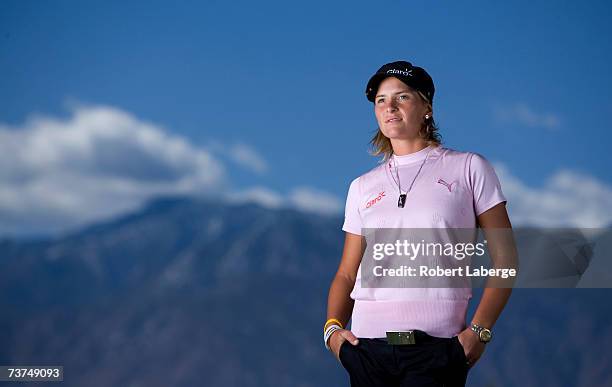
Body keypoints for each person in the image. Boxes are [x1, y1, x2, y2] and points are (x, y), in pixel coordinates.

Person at [324, 61, 517, 387]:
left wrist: (479, 332)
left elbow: (507, 259)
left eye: (402, 97)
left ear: (426, 107)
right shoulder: (362, 186)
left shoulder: (469, 168)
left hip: (438, 351)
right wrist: (332, 331)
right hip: (367, 350)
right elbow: (346, 272)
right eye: (381, 100)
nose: (389, 107)